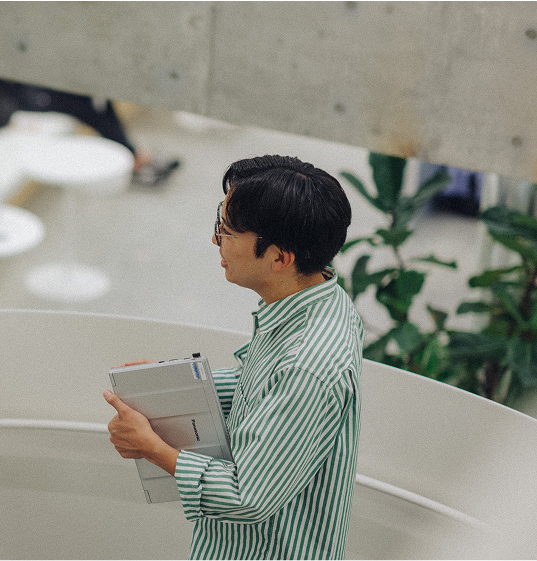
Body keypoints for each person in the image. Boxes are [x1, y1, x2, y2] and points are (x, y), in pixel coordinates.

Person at [103, 155, 362, 559]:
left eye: (226, 231)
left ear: (279, 257)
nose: (215, 241)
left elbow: (247, 495)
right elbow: (262, 388)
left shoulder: (308, 366)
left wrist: (152, 447)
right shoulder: (320, 301)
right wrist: (168, 386)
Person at [0, 75, 180, 186]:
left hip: (24, 87)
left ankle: (133, 155)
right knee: (85, 105)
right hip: (13, 100)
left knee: (95, 99)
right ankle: (134, 157)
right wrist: (10, 119)